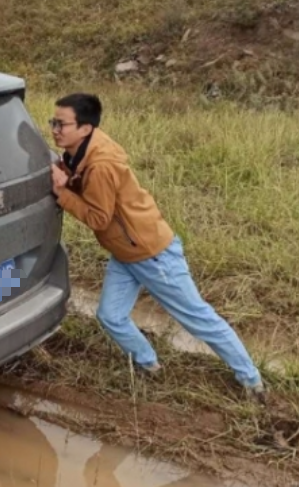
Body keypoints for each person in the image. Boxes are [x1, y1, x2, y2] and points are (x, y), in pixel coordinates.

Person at [48, 93, 265, 401]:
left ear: (85, 128)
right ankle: (148, 364)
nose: (55, 129)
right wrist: (65, 176)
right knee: (111, 316)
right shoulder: (77, 153)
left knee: (197, 318)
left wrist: (61, 192)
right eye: (53, 122)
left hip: (152, 254)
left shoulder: (101, 166)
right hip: (126, 251)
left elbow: (98, 218)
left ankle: (251, 380)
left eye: (61, 124)